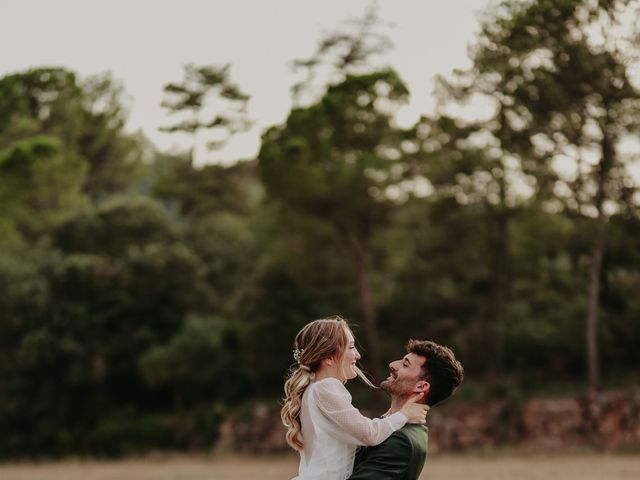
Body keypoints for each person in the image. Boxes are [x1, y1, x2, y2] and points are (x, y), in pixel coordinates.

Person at [281, 317, 429, 480]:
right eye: (351, 347)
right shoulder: (326, 387)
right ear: (329, 358)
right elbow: (369, 434)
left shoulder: (313, 389)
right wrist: (404, 414)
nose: (357, 355)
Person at [347, 339, 464, 480]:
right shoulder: (398, 428)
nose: (392, 365)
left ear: (421, 387)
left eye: (405, 364)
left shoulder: (400, 441)